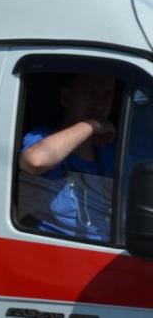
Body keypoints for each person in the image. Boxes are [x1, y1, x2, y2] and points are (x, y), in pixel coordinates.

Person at [18, 73, 116, 242]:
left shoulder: (110, 151)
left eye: (107, 95)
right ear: (66, 97)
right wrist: (92, 125)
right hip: (56, 248)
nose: (100, 103)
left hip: (103, 248)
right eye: (90, 92)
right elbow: (35, 160)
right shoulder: (42, 138)